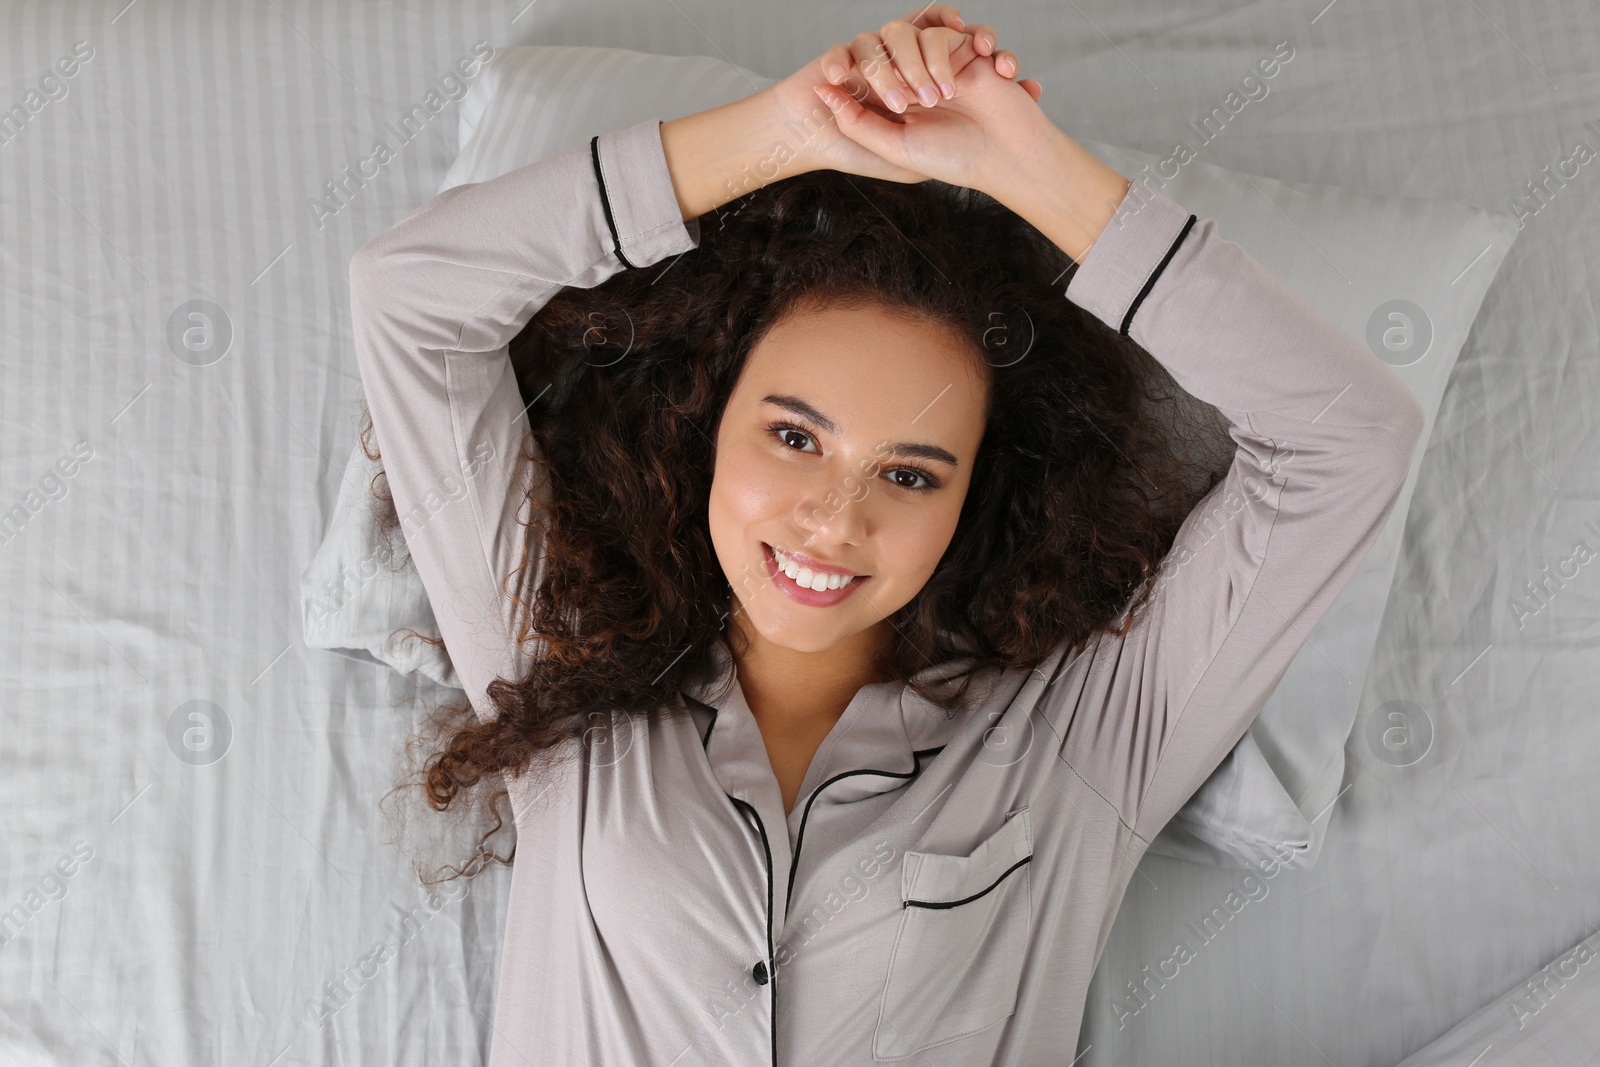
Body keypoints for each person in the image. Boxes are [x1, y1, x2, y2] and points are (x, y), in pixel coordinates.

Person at [347, 7, 1425, 1064]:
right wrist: (788, 132)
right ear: (702, 426)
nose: (835, 517)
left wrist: (1029, 168)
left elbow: (1347, 441)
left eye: (908, 472)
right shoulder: (565, 673)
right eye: (793, 436)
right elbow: (411, 300)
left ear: (974, 497)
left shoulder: (1079, 744)